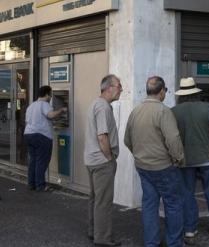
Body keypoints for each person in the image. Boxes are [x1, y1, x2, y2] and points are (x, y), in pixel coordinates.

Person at [124, 76, 185, 247]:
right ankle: (174, 243)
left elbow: (127, 140)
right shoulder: (164, 111)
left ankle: (152, 242)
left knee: (149, 205)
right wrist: (179, 159)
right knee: (172, 204)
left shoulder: (136, 111)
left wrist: (139, 155)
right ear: (162, 91)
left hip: (143, 166)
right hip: (163, 166)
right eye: (166, 90)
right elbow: (173, 139)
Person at [171, 77, 209, 240]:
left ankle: (190, 228)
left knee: (187, 193)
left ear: (181, 94)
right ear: (195, 92)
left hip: (185, 159)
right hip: (206, 157)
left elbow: (171, 137)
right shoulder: (207, 108)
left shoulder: (173, 111)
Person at [84, 74, 123, 247]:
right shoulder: (103, 107)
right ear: (109, 88)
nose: (121, 89)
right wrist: (109, 158)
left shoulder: (96, 104)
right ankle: (103, 238)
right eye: (119, 86)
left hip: (92, 160)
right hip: (102, 161)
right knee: (103, 201)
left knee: (95, 198)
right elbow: (102, 136)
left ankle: (94, 231)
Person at [24, 86, 67, 191]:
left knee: (33, 160)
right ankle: (40, 185)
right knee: (41, 161)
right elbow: (51, 115)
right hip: (41, 135)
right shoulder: (44, 104)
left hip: (28, 134)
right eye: (50, 94)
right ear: (47, 94)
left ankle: (31, 184)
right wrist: (62, 110)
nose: (51, 96)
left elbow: (27, 121)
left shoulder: (31, 106)